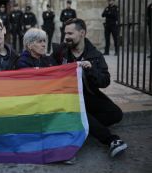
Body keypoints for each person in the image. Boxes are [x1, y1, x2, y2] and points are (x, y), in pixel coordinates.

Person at [51, 18, 127, 158]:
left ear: (82, 33)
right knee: (81, 114)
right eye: (65, 33)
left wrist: (91, 69)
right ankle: (111, 139)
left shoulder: (95, 55)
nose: (66, 37)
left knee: (116, 114)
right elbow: (45, 66)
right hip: (67, 99)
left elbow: (105, 81)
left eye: (70, 33)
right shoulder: (60, 51)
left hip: (88, 95)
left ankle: (83, 127)